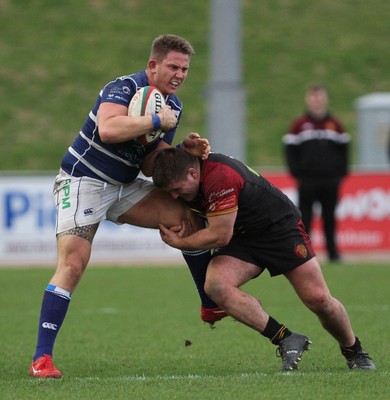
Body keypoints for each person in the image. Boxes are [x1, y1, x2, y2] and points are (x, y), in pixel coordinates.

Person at [29, 34, 226, 379]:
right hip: (83, 181)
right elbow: (108, 129)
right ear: (153, 65)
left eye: (185, 69)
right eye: (173, 67)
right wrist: (155, 122)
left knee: (186, 218)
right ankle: (42, 359)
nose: (180, 75)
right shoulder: (123, 87)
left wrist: (184, 149)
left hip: (124, 186)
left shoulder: (172, 106)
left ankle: (209, 303)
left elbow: (152, 164)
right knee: (73, 264)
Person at [152, 147, 376, 372]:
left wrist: (179, 243)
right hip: (242, 238)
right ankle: (285, 338)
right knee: (216, 285)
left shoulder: (220, 177)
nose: (174, 197)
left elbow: (220, 236)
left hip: (279, 230)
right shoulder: (186, 165)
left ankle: (353, 350)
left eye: (176, 190)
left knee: (318, 299)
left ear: (192, 173)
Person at [283, 84, 350, 262]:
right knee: (305, 219)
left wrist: (340, 174)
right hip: (307, 180)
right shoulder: (299, 125)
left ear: (325, 99)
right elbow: (290, 151)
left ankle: (333, 254)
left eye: (320, 97)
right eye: (314, 97)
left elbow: (344, 152)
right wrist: (297, 173)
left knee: (330, 217)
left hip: (330, 180)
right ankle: (306, 255)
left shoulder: (335, 125)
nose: (317, 101)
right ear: (308, 99)